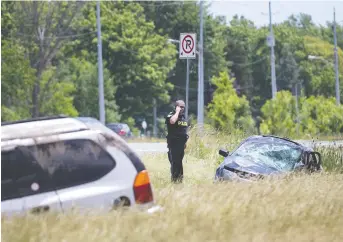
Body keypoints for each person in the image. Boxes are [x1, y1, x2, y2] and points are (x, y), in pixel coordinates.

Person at [165, 100, 189, 183]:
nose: (182, 109)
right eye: (180, 107)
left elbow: (184, 131)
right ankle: (175, 181)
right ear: (176, 107)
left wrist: (185, 142)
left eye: (183, 107)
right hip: (174, 144)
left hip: (181, 145)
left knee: (179, 162)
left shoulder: (183, 117)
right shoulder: (172, 115)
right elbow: (172, 121)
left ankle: (180, 180)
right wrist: (177, 112)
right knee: (175, 163)